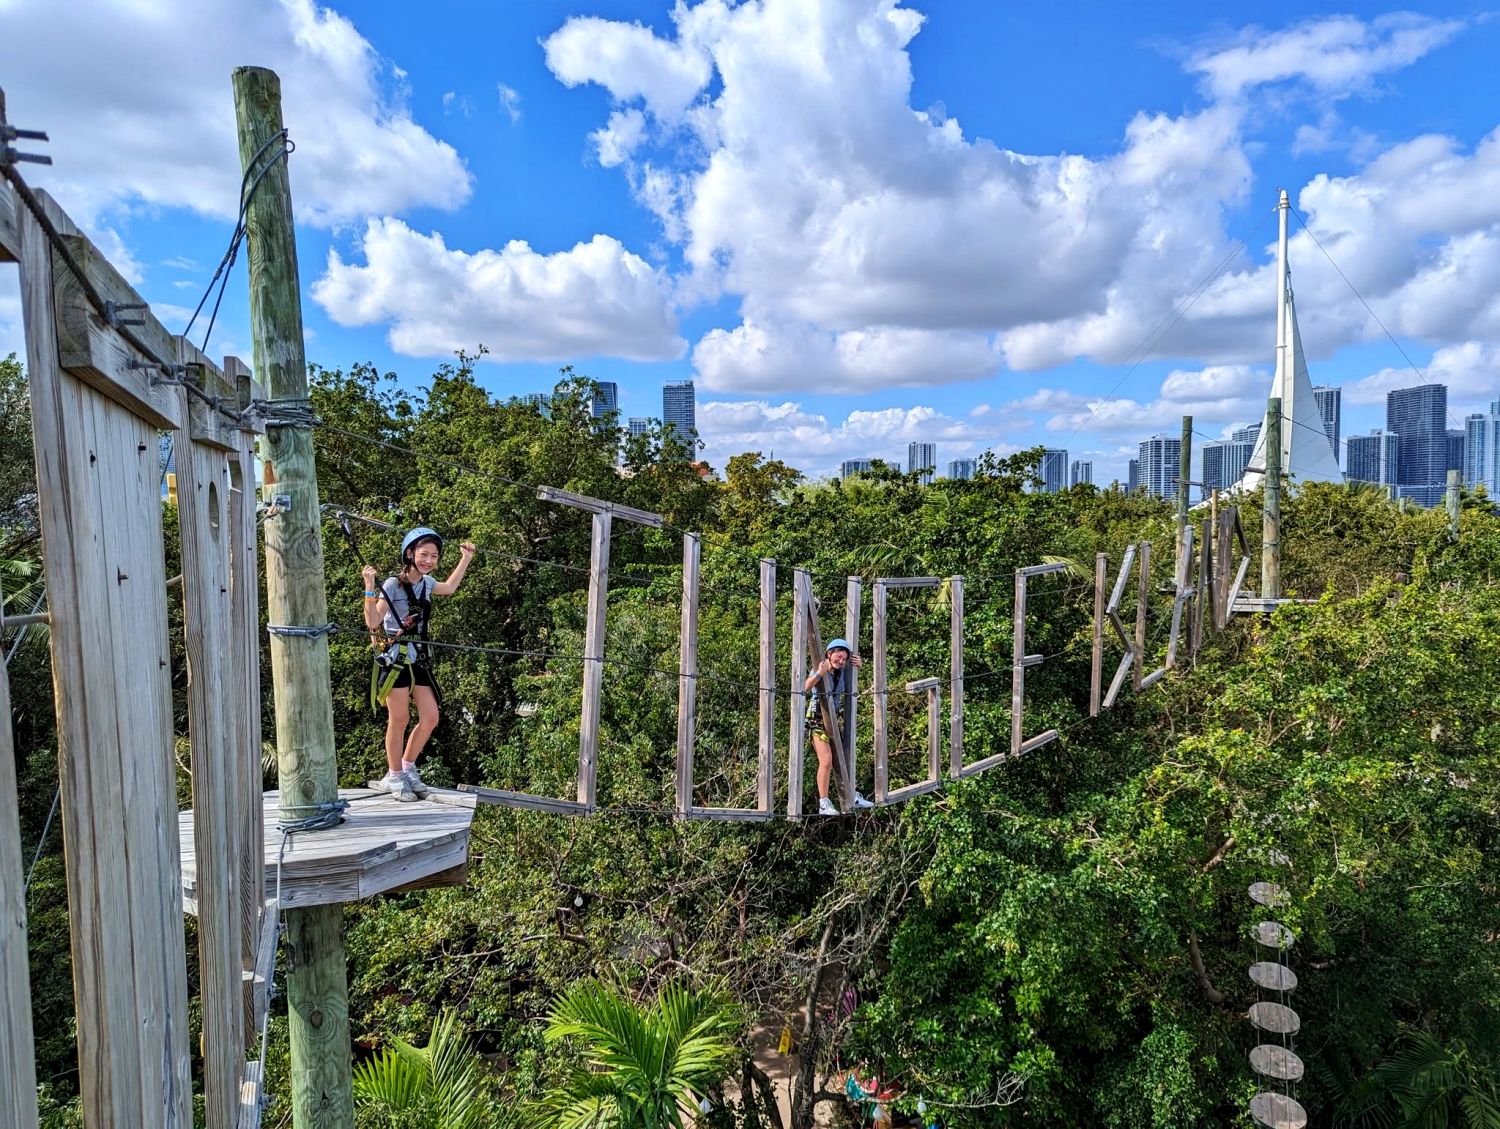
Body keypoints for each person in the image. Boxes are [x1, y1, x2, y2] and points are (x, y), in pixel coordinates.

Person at [362, 526, 476, 801]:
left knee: (431, 716)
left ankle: (408, 766)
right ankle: (394, 774)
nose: (429, 560)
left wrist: (466, 559)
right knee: (399, 718)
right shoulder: (391, 584)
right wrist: (369, 586)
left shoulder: (427, 583)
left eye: (434, 556)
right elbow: (373, 622)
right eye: (424, 554)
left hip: (418, 655)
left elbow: (448, 588)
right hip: (395, 657)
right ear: (410, 554)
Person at [805, 638, 875, 816]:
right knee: (826, 760)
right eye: (838, 657)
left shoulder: (843, 670)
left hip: (833, 719)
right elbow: (804, 687)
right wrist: (819, 673)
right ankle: (823, 802)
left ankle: (852, 795)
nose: (841, 661)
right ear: (829, 654)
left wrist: (858, 666)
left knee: (844, 758)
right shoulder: (820, 666)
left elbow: (851, 681)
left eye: (844, 659)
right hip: (817, 718)